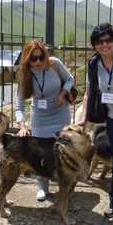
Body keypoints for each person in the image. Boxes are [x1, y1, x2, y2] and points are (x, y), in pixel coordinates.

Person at [76, 23, 113, 218]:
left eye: (109, 40)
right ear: (95, 45)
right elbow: (88, 93)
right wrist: (84, 119)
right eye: (100, 41)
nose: (105, 44)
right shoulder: (94, 64)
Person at [15, 39, 74, 202]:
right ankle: (42, 186)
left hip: (60, 114)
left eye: (41, 57)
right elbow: (19, 105)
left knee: (64, 151)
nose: (39, 61)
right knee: (40, 152)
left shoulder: (54, 63)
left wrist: (62, 94)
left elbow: (70, 79)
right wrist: (22, 125)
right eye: (33, 59)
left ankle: (66, 183)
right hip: (40, 118)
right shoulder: (25, 75)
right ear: (27, 59)